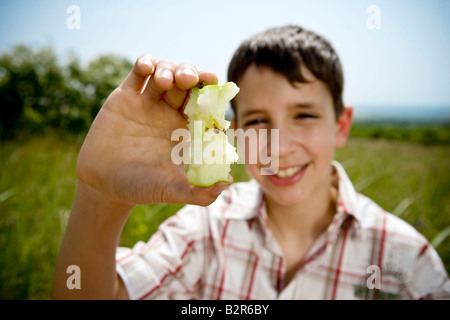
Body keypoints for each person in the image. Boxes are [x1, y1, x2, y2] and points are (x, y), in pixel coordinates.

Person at [52, 25, 449, 300]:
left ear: (341, 125)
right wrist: (100, 196)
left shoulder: (407, 261)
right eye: (258, 121)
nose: (280, 146)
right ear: (234, 130)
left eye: (305, 115)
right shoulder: (203, 227)